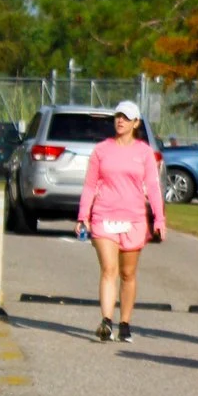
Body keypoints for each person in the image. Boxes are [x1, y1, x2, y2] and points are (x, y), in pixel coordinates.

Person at [76, 99, 165, 343]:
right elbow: (90, 185)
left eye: (126, 118)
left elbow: (153, 187)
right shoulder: (101, 150)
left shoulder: (144, 152)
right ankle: (106, 321)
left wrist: (159, 218)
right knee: (109, 269)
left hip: (133, 219)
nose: (120, 121)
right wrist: (83, 215)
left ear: (136, 123)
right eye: (118, 116)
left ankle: (124, 323)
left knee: (127, 273)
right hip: (104, 216)